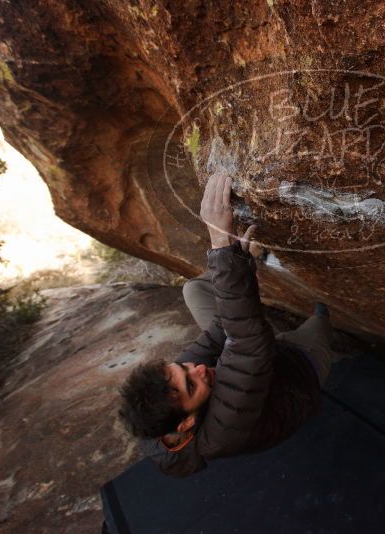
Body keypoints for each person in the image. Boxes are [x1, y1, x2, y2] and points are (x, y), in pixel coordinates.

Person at [118, 172, 333, 476]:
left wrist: (238, 264)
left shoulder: (165, 407)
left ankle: (251, 258)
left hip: (254, 357)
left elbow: (223, 327)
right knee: (320, 319)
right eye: (191, 384)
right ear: (188, 423)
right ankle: (324, 319)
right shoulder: (223, 432)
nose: (197, 368)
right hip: (297, 374)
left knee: (195, 290)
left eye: (181, 369)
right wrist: (220, 243)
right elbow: (248, 348)